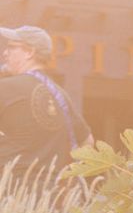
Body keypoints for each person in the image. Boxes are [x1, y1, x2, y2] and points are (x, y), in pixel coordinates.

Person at [0, 25, 93, 174]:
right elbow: (87, 142)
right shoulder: (61, 95)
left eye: (11, 47)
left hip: (12, 192)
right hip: (51, 193)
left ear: (30, 52)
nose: (5, 53)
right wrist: (67, 173)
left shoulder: (5, 88)